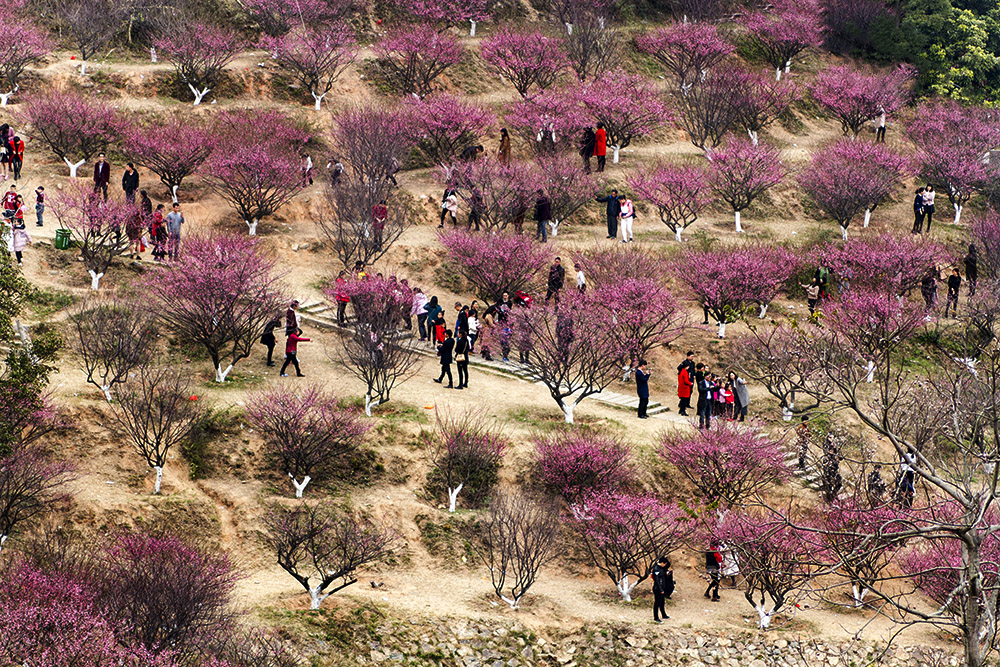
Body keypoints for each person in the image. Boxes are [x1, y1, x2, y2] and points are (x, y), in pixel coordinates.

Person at [652, 556, 673, 623]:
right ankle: (656, 617)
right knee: (657, 603)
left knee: (662, 602)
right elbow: (657, 581)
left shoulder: (661, 568)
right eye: (665, 564)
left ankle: (664, 615)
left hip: (662, 588)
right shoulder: (656, 569)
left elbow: (663, 576)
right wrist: (661, 590)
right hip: (658, 589)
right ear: (663, 563)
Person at [11, 196, 29, 265]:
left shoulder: (17, 230)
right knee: (18, 251)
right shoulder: (16, 203)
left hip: (17, 242)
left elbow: (23, 209)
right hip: (18, 216)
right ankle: (21, 258)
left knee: (17, 251)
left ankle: (19, 261)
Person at [695, 363, 711, 430]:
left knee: (708, 414)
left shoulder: (710, 382)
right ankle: (701, 426)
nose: (710, 378)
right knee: (702, 414)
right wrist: (709, 388)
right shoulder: (701, 382)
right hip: (703, 400)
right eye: (709, 376)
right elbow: (701, 389)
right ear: (705, 377)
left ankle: (708, 425)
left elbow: (715, 388)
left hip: (709, 400)